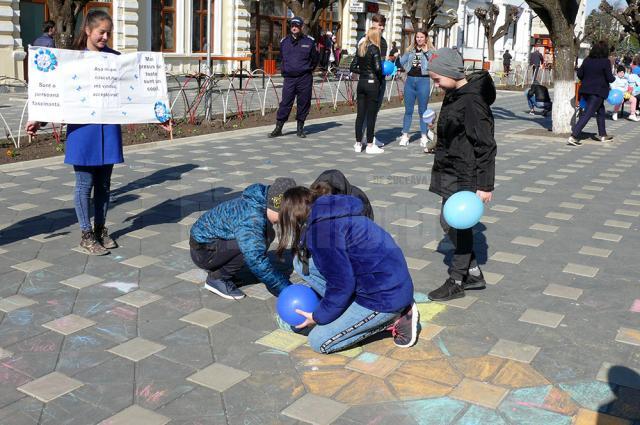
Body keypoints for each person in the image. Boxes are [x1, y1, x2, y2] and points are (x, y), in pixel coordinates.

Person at [26, 11, 170, 255]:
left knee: (104, 184)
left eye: (108, 33)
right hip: (83, 131)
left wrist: (158, 116)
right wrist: (38, 119)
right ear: (88, 31)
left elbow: (134, 92)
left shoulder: (116, 59)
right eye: (101, 32)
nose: (105, 37)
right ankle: (86, 234)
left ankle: (101, 229)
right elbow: (56, 92)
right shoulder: (73, 59)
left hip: (108, 130)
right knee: (84, 183)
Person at [277, 187, 418, 353]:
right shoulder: (329, 213)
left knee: (318, 341)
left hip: (383, 299)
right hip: (385, 281)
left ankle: (393, 320)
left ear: (293, 217)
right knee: (302, 264)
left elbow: (341, 284)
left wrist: (318, 316)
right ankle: (343, 310)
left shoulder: (321, 232)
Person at [425, 48, 497, 302]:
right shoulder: (454, 94)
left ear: (451, 72)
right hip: (449, 167)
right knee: (449, 222)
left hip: (465, 173)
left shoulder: (472, 101)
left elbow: (486, 145)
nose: (436, 84)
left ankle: (457, 280)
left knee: (457, 223)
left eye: (436, 79)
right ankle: (474, 272)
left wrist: (485, 185)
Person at [189, 177, 297, 299]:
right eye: (284, 215)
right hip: (203, 252)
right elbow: (255, 258)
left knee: (262, 237)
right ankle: (217, 278)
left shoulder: (259, 201)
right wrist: (285, 289)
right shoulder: (252, 218)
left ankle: (226, 269)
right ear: (274, 206)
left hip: (210, 244)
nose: (284, 220)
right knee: (249, 247)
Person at [269, 17, 318, 139]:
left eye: (296, 25)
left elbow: (315, 59)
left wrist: (307, 69)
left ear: (301, 27)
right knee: (285, 103)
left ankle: (300, 128)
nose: (294, 27)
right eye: (292, 26)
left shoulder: (309, 42)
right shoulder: (284, 42)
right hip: (289, 78)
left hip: (304, 78)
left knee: (304, 103)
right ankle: (278, 128)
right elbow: (281, 59)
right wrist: (284, 70)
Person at [568, 40, 616, 146]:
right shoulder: (605, 61)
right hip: (597, 92)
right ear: (605, 51)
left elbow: (580, 74)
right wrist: (613, 78)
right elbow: (610, 78)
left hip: (585, 91)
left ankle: (603, 134)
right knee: (587, 113)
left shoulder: (587, 60)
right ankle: (573, 136)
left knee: (601, 111)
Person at [351, 27, 385, 154]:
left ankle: (358, 144)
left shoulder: (361, 47)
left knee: (360, 115)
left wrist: (364, 72)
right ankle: (370, 145)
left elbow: (353, 67)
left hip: (362, 83)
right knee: (370, 115)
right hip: (372, 84)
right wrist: (381, 74)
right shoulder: (374, 48)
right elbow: (377, 68)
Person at [398, 29, 433, 147]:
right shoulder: (410, 50)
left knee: (423, 111)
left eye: (421, 37)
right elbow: (401, 62)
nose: (419, 39)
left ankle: (424, 136)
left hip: (424, 81)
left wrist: (427, 52)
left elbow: (435, 63)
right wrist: (402, 63)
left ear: (426, 38)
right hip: (410, 81)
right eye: (417, 37)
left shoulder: (431, 51)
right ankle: (405, 135)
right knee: (408, 110)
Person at [357, 14, 388, 148]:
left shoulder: (383, 41)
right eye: (378, 25)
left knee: (374, 110)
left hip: (380, 79)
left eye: (382, 25)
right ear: (373, 24)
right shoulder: (364, 41)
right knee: (364, 113)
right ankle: (363, 138)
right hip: (370, 80)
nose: (380, 28)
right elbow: (360, 61)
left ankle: (370, 137)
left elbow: (382, 61)